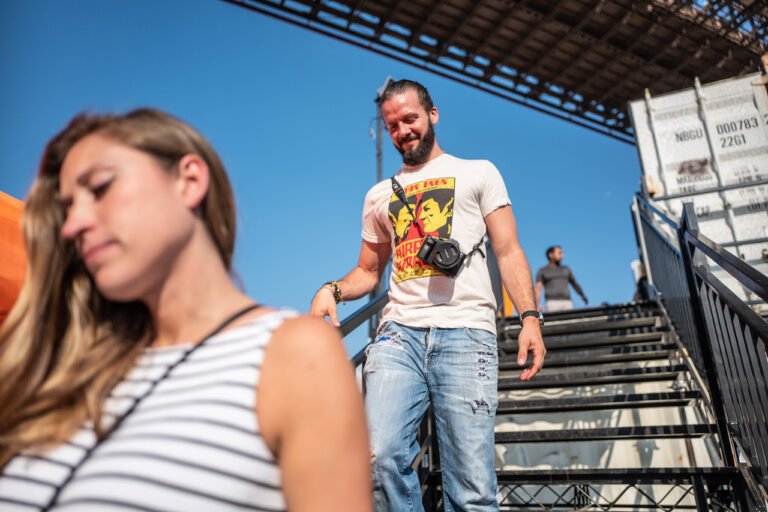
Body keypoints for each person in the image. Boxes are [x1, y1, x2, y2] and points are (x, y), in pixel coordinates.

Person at [0, 109, 372, 512]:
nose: (74, 224)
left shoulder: (292, 355)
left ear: (189, 181)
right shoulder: (56, 367)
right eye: (68, 207)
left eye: (100, 187)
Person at [310, 79, 545, 511]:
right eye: (392, 124)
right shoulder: (378, 196)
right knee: (379, 460)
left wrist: (530, 317)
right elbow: (367, 270)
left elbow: (508, 250)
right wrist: (333, 290)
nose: (402, 131)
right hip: (399, 334)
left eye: (410, 119)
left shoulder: (479, 172)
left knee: (471, 488)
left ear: (432, 115)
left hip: (467, 333)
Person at [535, 245, 588, 312]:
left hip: (567, 302)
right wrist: (536, 304)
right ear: (550, 255)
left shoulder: (566, 269)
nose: (562, 255)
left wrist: (582, 295)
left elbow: (574, 284)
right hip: (551, 303)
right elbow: (538, 288)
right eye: (559, 253)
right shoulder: (542, 271)